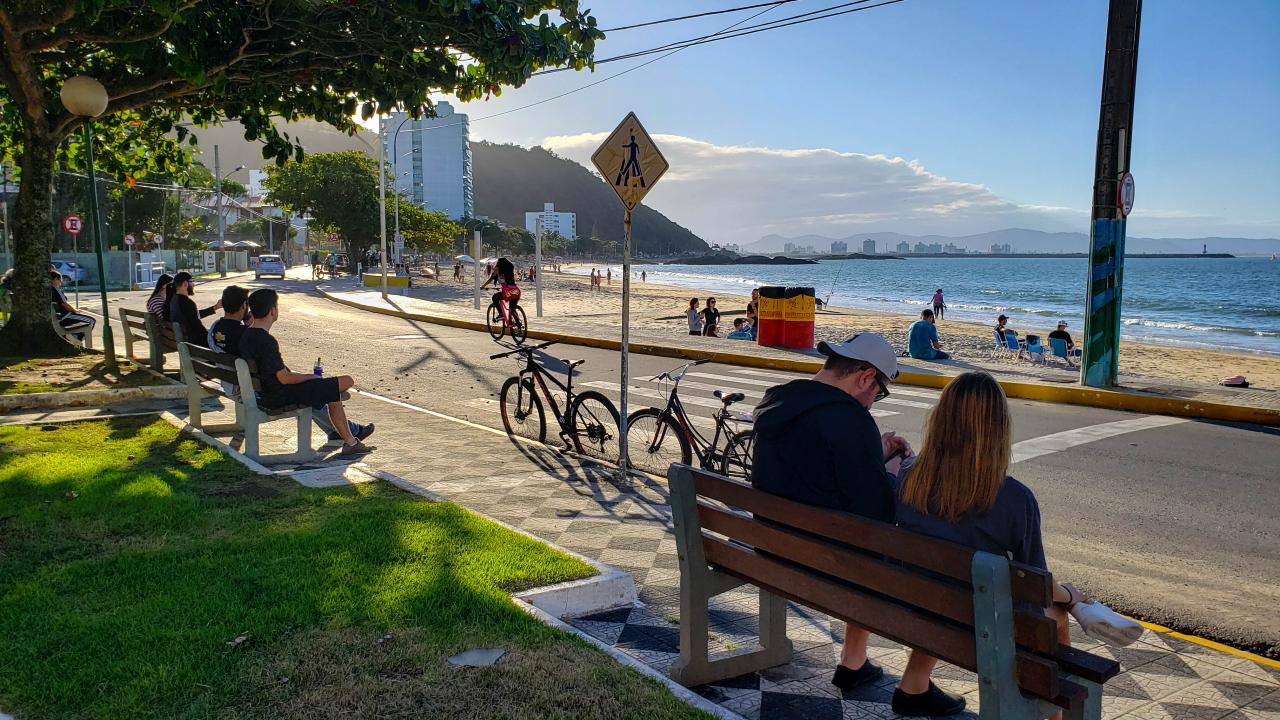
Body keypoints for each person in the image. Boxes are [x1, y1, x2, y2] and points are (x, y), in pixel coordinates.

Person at [894, 372, 1092, 716]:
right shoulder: (1014, 499)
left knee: (946, 586)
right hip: (980, 624)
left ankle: (913, 684)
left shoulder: (909, 477)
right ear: (998, 430)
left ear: (940, 421)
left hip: (915, 607)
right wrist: (1071, 596)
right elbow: (1036, 585)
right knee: (1055, 617)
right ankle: (1055, 715)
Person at [751, 333, 910, 695]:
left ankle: (854, 661)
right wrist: (892, 469)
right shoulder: (850, 420)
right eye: (878, 392)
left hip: (767, 549)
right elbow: (878, 512)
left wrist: (874, 454)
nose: (872, 402)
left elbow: (812, 468)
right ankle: (853, 662)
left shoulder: (778, 402)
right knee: (880, 549)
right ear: (866, 377)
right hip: (825, 565)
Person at [238, 289, 373, 456]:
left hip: (264, 393)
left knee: (331, 390)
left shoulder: (246, 336)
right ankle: (350, 441)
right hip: (278, 396)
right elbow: (284, 378)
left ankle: (350, 441)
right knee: (346, 381)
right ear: (272, 311)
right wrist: (311, 377)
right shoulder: (266, 341)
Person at [168, 271, 220, 346]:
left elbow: (192, 316)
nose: (193, 285)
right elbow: (197, 327)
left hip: (185, 340)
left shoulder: (174, 299)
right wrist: (210, 337)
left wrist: (215, 308)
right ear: (185, 284)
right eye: (191, 282)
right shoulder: (187, 303)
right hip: (194, 344)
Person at [50, 271, 95, 342]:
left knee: (83, 320)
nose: (61, 282)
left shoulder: (50, 290)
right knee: (92, 321)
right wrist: (75, 311)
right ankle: (77, 339)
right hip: (65, 316)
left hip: (59, 317)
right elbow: (65, 304)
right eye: (60, 280)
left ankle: (75, 337)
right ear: (55, 279)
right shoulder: (55, 289)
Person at [481, 256, 521, 325]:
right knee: (512, 308)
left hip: (508, 292)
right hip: (516, 291)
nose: (495, 266)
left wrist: (482, 286)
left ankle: (501, 313)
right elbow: (491, 279)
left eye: (497, 264)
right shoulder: (509, 271)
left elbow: (490, 280)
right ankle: (518, 324)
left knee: (494, 297)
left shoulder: (500, 272)